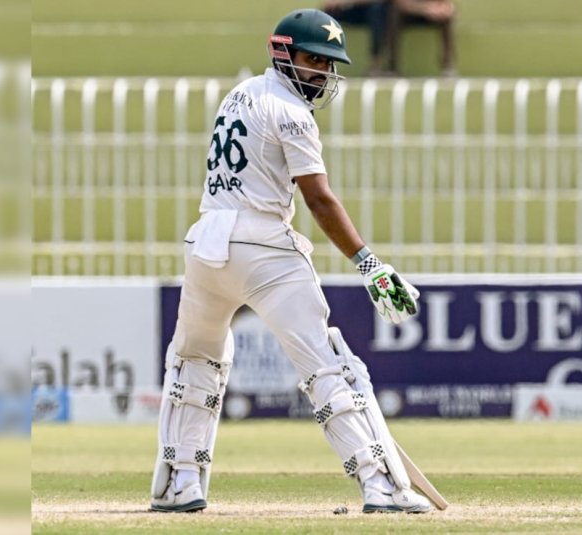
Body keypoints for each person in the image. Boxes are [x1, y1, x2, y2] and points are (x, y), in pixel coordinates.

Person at [149, 8, 431, 514]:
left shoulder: (238, 95)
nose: (321, 73)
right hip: (262, 247)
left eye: (327, 64)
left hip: (207, 242)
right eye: (312, 60)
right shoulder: (293, 113)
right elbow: (319, 200)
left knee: (196, 361)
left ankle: (182, 483)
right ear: (282, 53)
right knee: (327, 365)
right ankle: (380, 486)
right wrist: (369, 265)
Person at [323, 0, 394, 76]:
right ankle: (322, 61)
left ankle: (375, 65)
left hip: (372, 12)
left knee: (377, 11)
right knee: (326, 13)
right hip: (353, 10)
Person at [389, 0, 456, 76]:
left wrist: (443, 10)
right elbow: (401, 4)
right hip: (409, 14)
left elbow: (444, 4)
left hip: (431, 15)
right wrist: (425, 9)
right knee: (394, 13)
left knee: (447, 17)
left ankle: (447, 65)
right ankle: (392, 66)